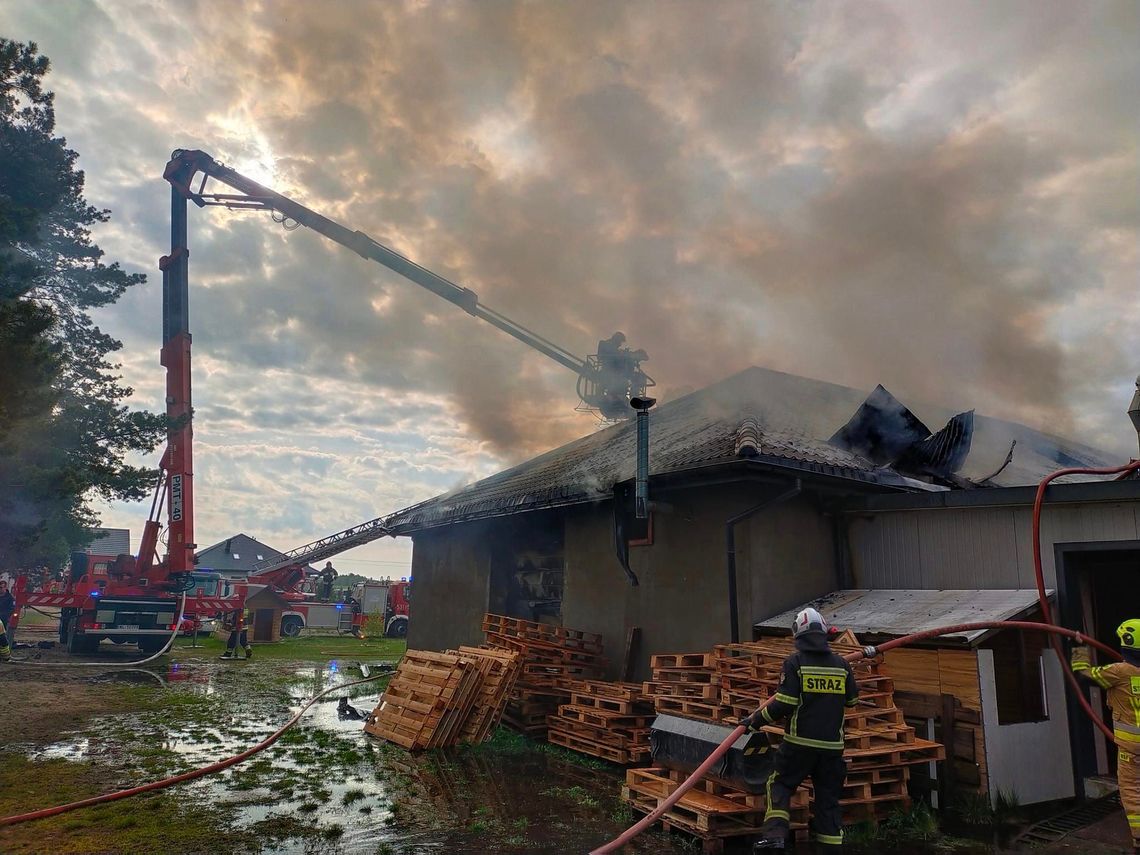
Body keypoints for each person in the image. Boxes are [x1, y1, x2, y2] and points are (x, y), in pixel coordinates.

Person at [742, 607, 858, 850]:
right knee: (828, 800)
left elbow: (784, 703)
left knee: (779, 784)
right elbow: (852, 701)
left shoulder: (795, 663)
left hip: (799, 744)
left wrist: (754, 721)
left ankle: (775, 836)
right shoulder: (841, 665)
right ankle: (831, 847)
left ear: (799, 635)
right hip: (832, 749)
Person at [1072, 619, 1140, 853]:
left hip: (1131, 750)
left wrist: (1078, 647)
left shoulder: (1118, 672)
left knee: (1132, 790)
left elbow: (1083, 675)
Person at [0, 579, 15, 662]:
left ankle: (5, 655)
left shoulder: (10, 598)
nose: (0, 589)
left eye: (1, 587)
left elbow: (12, 609)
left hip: (3, 621)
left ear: (5, 588)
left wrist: (4, 616)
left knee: (3, 639)